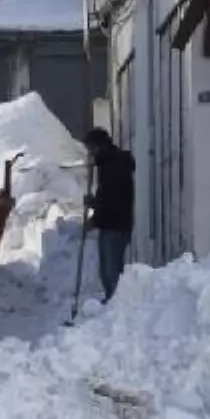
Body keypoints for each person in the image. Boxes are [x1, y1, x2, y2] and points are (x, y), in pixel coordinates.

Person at [84, 128, 136, 302]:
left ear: (98, 146)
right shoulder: (113, 163)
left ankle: (115, 305)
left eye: (90, 149)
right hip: (119, 223)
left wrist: (94, 219)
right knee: (112, 268)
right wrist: (94, 203)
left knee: (110, 270)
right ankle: (114, 306)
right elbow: (107, 197)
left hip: (113, 225)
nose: (90, 153)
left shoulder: (112, 166)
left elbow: (111, 199)